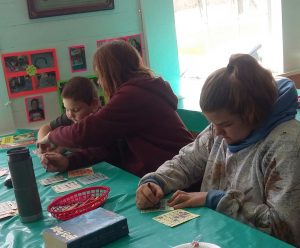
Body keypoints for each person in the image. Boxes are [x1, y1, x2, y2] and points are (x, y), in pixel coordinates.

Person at [135, 54, 300, 246]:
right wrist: (156, 181)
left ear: (252, 113)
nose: (218, 132)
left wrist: (215, 200)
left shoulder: (287, 144)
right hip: (218, 235)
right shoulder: (220, 129)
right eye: (213, 123)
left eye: (226, 124)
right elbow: (187, 161)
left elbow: (284, 229)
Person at [38, 40, 193, 177]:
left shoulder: (132, 95)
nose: (99, 81)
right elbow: (108, 147)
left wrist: (51, 136)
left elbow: (86, 133)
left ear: (112, 73)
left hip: (177, 173)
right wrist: (67, 162)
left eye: (100, 75)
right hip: (173, 169)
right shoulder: (139, 89)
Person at [37, 76, 102, 171]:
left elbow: (93, 154)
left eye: (76, 110)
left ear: (94, 104)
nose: (70, 115)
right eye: (66, 109)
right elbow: (45, 127)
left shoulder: (101, 122)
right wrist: (43, 147)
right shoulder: (70, 116)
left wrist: (62, 148)